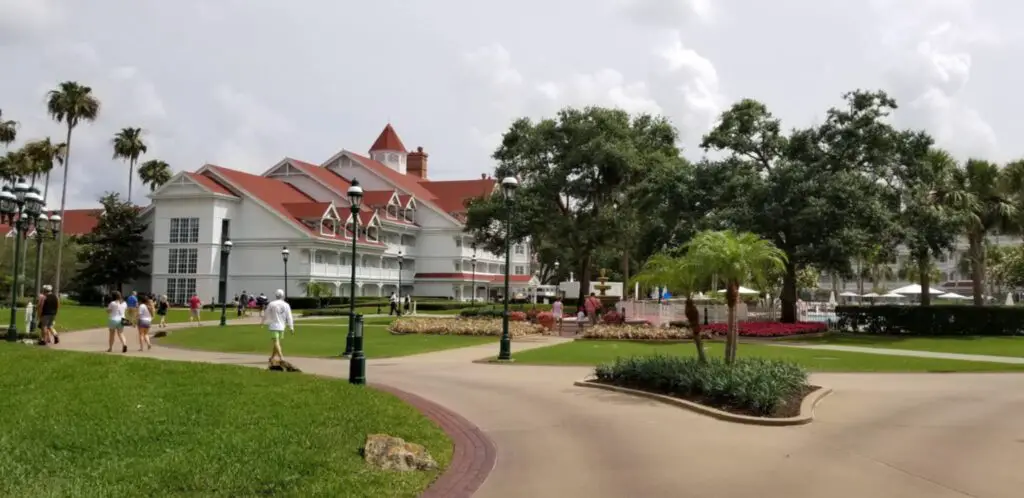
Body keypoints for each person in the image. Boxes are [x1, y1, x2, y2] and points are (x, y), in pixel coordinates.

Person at [261, 289, 295, 364]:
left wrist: (262, 322)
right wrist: (291, 327)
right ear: (282, 295)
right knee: (277, 342)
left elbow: (266, 314)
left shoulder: (272, 304)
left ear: (276, 295)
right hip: (282, 326)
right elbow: (289, 317)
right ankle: (272, 357)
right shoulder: (286, 305)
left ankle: (281, 357)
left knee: (276, 342)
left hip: (274, 326)